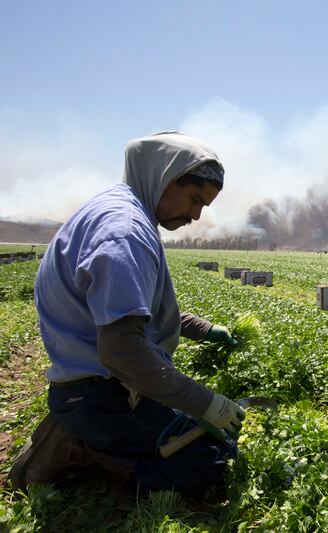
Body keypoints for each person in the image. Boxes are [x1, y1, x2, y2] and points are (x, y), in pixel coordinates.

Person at [11, 132, 245, 497]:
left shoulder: (117, 210)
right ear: (166, 179)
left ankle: (84, 431)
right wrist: (205, 402)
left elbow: (128, 309)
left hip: (96, 388)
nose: (197, 215)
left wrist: (206, 329)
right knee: (210, 460)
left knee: (192, 435)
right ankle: (79, 450)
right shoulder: (125, 233)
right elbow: (123, 351)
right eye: (194, 199)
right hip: (104, 394)